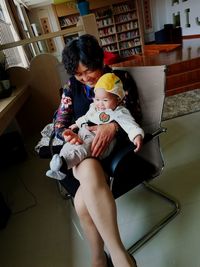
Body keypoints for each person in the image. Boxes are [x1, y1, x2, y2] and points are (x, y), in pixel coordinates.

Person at [52, 34, 140, 267]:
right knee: (87, 166)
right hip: (82, 151)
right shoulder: (72, 88)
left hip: (113, 154)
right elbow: (59, 123)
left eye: (88, 70)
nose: (85, 78)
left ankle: (100, 258)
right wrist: (67, 134)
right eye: (78, 74)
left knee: (82, 202)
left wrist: (112, 126)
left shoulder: (119, 79)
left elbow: (135, 113)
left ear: (98, 60)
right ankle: (119, 254)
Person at [46, 73, 144, 180]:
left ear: (118, 99)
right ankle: (58, 167)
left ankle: (65, 164)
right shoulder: (94, 106)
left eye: (105, 100)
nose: (100, 104)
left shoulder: (120, 112)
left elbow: (131, 125)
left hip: (99, 142)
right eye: (97, 99)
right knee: (69, 146)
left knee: (83, 148)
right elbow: (87, 116)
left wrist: (137, 136)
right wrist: (76, 124)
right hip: (84, 132)